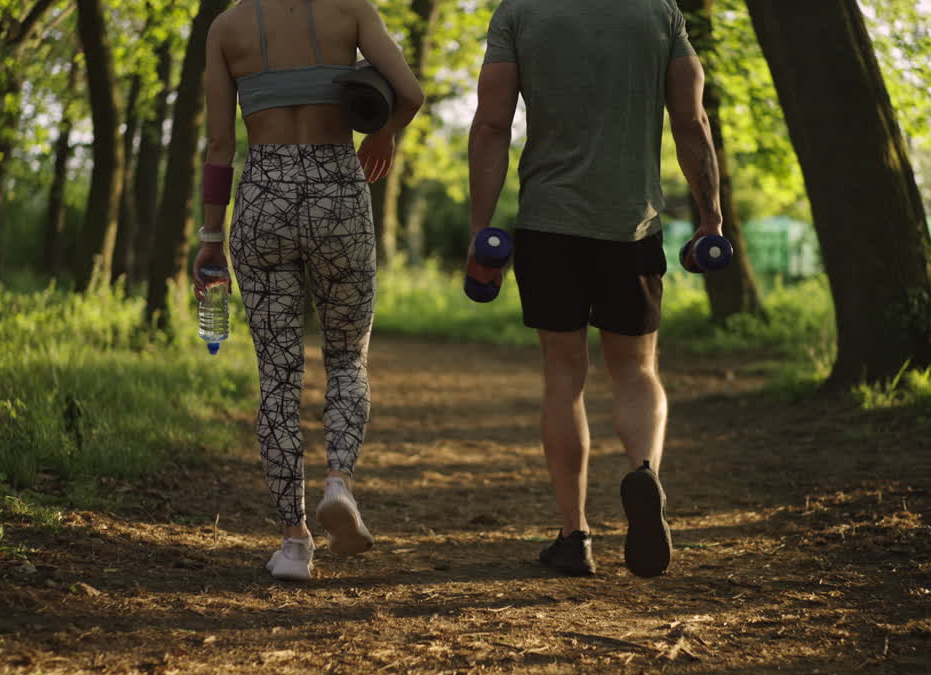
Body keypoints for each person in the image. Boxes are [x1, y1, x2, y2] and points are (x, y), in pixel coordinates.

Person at [468, 0, 721, 578]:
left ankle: (574, 536)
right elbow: (692, 121)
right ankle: (644, 471)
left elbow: (490, 123)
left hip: (548, 224)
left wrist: (480, 228)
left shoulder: (520, 14)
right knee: (636, 370)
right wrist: (712, 218)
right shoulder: (660, 13)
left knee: (564, 376)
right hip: (631, 226)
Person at [193, 0, 424, 581]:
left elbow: (219, 145)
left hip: (264, 195)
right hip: (338, 193)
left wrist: (210, 238)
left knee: (277, 375)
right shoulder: (350, 12)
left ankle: (294, 541)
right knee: (347, 357)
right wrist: (385, 134)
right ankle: (339, 483)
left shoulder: (227, 27)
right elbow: (411, 94)